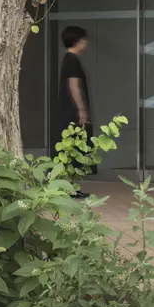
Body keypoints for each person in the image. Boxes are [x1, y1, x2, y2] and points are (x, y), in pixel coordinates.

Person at [59, 25, 96, 198]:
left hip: (69, 111)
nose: (85, 43)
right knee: (75, 147)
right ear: (76, 41)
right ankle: (69, 188)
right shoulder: (72, 60)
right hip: (73, 113)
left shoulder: (69, 59)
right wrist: (81, 109)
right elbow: (74, 85)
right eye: (83, 40)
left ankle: (71, 187)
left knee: (74, 147)